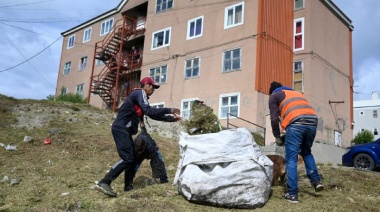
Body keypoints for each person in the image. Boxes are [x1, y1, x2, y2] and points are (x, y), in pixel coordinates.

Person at [95, 77, 181, 197]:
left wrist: (172, 118)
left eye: (155, 88)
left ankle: (127, 186)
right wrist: (169, 109)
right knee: (128, 158)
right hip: (121, 128)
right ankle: (105, 181)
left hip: (125, 130)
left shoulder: (140, 101)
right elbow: (150, 111)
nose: (153, 89)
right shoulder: (139, 93)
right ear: (145, 85)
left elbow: (152, 115)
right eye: (152, 86)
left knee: (131, 158)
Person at [268, 81, 324, 203]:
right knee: (306, 152)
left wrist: (277, 136)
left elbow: (274, 118)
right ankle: (316, 180)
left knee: (291, 159)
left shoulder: (274, 95)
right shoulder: (296, 93)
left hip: (295, 123)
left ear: (272, 91)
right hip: (313, 121)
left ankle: (292, 194)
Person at [125, 124, 168, 189]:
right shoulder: (134, 145)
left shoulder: (151, 147)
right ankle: (129, 181)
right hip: (139, 153)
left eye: (140, 151)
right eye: (138, 151)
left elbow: (154, 162)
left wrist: (154, 178)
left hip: (151, 151)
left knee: (160, 162)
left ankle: (164, 181)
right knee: (134, 165)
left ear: (144, 146)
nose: (139, 152)